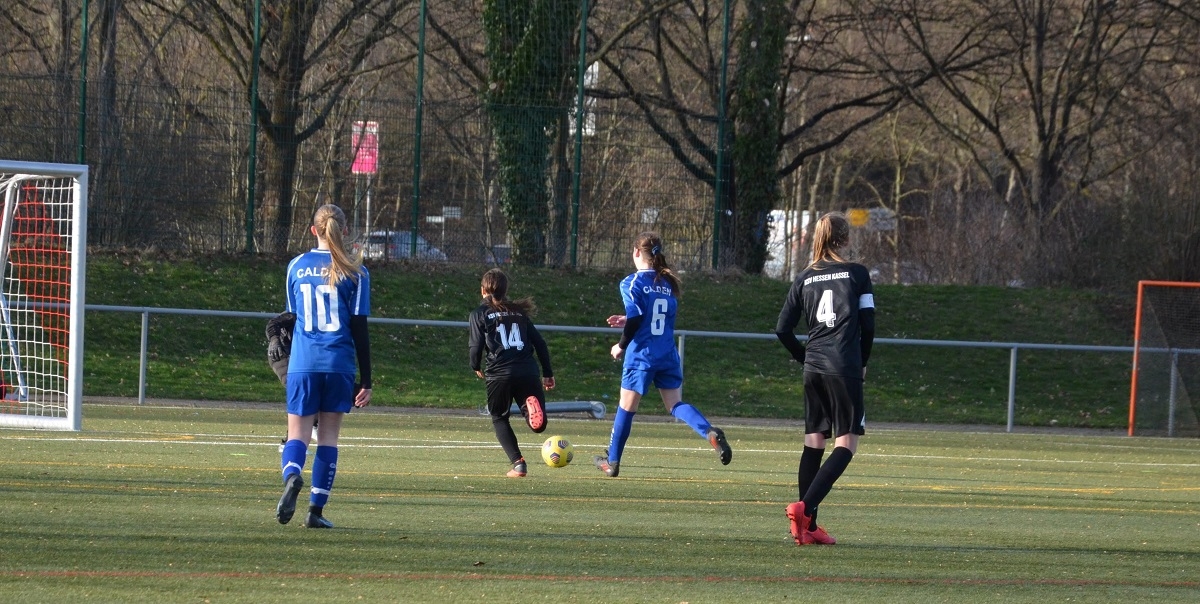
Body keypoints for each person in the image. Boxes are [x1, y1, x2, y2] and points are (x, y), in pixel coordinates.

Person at [593, 232, 731, 478]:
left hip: (642, 355)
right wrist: (628, 319)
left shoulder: (631, 282)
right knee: (675, 404)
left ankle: (612, 461)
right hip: (667, 353)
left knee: (626, 407)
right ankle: (709, 431)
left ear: (637, 252)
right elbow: (657, 317)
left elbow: (637, 318)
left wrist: (621, 345)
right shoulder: (667, 283)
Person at [774, 212, 875, 545]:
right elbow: (868, 324)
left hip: (813, 368)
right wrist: (862, 362)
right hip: (844, 366)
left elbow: (782, 329)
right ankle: (804, 509)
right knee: (846, 445)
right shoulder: (857, 273)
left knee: (814, 442)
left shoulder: (804, 277)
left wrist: (804, 357)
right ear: (845, 239)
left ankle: (808, 528)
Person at [275, 204, 372, 529]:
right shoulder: (356, 271)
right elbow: (359, 329)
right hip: (338, 364)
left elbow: (291, 318)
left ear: (313, 230)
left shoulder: (296, 265)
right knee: (328, 437)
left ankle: (292, 475)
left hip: (303, 363)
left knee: (297, 434)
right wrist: (367, 380)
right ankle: (315, 511)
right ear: (343, 231)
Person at [468, 269, 556, 477]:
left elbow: (475, 346)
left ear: (483, 290)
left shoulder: (479, 313)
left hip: (499, 372)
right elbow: (540, 343)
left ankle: (518, 464)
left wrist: (475, 366)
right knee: (538, 425)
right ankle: (532, 413)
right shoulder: (519, 312)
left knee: (499, 417)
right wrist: (548, 373)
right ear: (505, 290)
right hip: (527, 369)